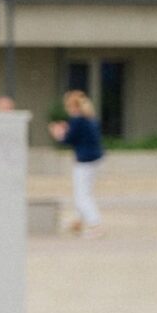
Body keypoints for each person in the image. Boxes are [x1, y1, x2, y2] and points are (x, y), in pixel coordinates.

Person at [52, 88, 106, 235]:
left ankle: (95, 225)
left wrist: (59, 133)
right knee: (84, 191)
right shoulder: (89, 118)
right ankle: (78, 221)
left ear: (72, 106)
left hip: (85, 160)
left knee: (82, 195)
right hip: (96, 158)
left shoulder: (77, 119)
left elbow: (68, 139)